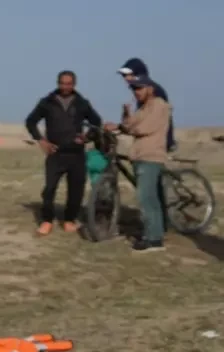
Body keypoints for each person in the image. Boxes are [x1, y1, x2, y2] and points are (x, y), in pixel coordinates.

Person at [24, 71, 103, 235]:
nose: (65, 87)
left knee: (76, 189)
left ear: (74, 84)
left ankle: (69, 220)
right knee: (49, 189)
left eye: (68, 84)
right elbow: (30, 122)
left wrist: (87, 137)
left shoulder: (82, 103)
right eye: (62, 83)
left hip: (76, 154)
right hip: (55, 153)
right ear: (57, 83)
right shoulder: (47, 102)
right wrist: (41, 141)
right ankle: (46, 221)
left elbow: (97, 122)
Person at [106, 77, 173, 252]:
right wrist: (126, 114)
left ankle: (153, 240)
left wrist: (125, 127)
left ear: (150, 88)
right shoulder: (144, 107)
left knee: (146, 198)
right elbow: (130, 124)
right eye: (133, 89)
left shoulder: (159, 105)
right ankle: (154, 234)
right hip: (140, 156)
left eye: (139, 88)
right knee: (150, 197)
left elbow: (143, 128)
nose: (136, 92)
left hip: (150, 156)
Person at [118, 58, 175, 153]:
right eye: (123, 75)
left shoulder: (154, 92)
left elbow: (150, 123)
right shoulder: (141, 93)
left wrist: (122, 127)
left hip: (157, 145)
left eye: (127, 75)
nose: (125, 78)